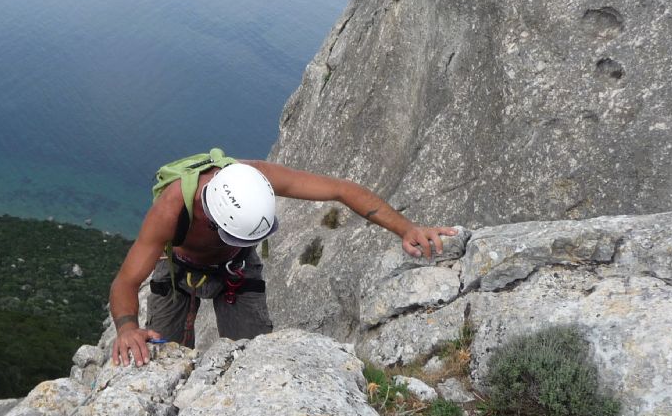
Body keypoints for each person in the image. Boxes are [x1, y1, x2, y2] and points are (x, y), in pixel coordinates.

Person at [109, 157, 457, 366]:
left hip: (235, 267)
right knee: (160, 355)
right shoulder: (171, 210)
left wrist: (407, 228)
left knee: (254, 357)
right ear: (211, 218)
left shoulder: (254, 176)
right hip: (179, 270)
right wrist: (127, 329)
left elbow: (341, 190)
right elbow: (125, 281)